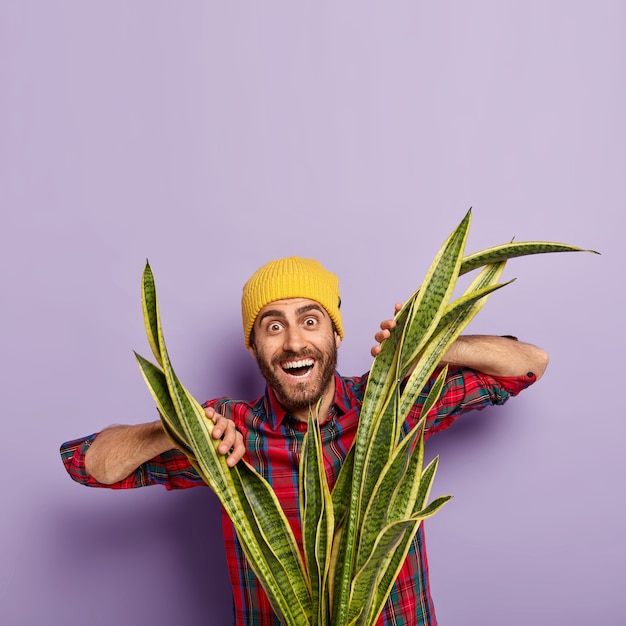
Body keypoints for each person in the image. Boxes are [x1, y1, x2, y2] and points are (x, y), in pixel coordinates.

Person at [60, 256, 548, 626]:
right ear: (255, 346)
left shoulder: (392, 404)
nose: (294, 342)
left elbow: (528, 364)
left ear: (335, 334)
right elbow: (89, 464)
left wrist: (438, 345)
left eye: (310, 320)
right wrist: (178, 425)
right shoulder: (228, 433)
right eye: (273, 326)